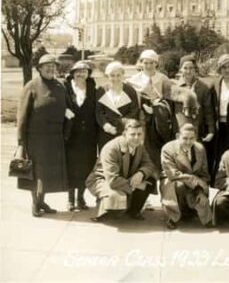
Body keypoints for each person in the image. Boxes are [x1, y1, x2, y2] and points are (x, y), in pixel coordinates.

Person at [15, 54, 69, 217]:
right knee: (36, 172)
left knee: (47, 174)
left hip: (55, 138)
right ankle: (35, 204)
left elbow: (68, 109)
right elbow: (22, 116)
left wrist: (66, 133)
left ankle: (42, 201)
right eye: (47, 66)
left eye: (53, 66)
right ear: (39, 68)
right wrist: (21, 142)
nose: (51, 68)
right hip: (36, 138)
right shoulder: (31, 86)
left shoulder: (60, 87)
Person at [85, 121, 158, 222]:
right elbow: (113, 180)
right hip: (103, 179)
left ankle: (134, 211)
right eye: (132, 134)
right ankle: (105, 209)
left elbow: (149, 164)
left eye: (139, 134)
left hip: (124, 177)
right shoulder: (111, 148)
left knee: (150, 180)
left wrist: (141, 173)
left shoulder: (139, 146)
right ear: (124, 134)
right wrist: (135, 185)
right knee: (116, 205)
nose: (136, 137)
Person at [160, 123, 213, 229]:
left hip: (194, 183)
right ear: (177, 136)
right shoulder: (168, 148)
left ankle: (192, 211)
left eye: (191, 138)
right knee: (179, 185)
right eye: (185, 138)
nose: (188, 142)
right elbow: (173, 173)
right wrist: (196, 182)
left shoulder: (200, 149)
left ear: (196, 138)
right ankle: (172, 216)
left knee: (199, 198)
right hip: (172, 180)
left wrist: (201, 191)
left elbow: (204, 174)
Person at [64, 60, 98, 212]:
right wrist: (64, 112)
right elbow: (59, 105)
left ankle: (81, 198)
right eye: (78, 71)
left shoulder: (92, 89)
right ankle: (71, 199)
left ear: (88, 74)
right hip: (71, 135)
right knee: (71, 166)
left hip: (89, 136)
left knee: (86, 166)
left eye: (84, 71)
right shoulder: (65, 88)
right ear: (72, 73)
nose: (81, 74)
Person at [172, 55, 215, 154]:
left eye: (191, 68)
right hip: (179, 127)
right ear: (180, 69)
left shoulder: (203, 87)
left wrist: (211, 130)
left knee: (196, 153)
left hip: (197, 127)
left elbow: (208, 110)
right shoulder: (174, 87)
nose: (188, 71)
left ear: (195, 69)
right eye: (185, 68)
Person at [96, 61, 140, 150]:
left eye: (118, 75)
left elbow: (134, 110)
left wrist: (120, 125)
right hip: (106, 132)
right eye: (112, 75)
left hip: (125, 131)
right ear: (107, 76)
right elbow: (98, 111)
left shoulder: (130, 90)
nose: (115, 78)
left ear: (123, 75)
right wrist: (106, 125)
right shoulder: (101, 90)